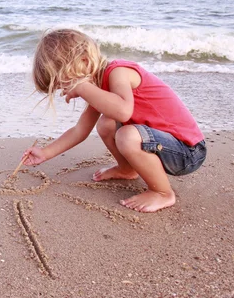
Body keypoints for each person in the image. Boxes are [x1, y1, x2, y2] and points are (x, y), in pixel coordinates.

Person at [22, 29, 206, 212]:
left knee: (126, 135)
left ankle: (163, 193)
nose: (68, 89)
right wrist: (45, 153)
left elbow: (123, 112)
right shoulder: (100, 87)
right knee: (105, 123)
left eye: (66, 82)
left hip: (187, 152)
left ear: (84, 61)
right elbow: (80, 130)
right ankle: (127, 169)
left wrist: (83, 87)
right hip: (161, 146)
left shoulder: (119, 71)